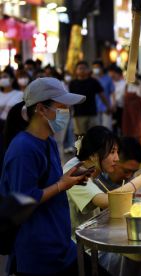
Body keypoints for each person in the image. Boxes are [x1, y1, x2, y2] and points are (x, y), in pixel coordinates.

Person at [0, 77, 89, 275]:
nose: (67, 112)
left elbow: (49, 182)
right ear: (41, 109)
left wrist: (70, 179)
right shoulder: (23, 148)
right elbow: (21, 199)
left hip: (60, 245)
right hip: (38, 252)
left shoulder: (47, 141)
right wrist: (60, 186)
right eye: (62, 106)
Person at [64, 126, 141, 235]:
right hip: (75, 243)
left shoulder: (89, 168)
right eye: (112, 152)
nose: (117, 158)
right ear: (94, 155)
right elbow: (106, 201)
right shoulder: (74, 171)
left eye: (117, 152)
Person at [69, 61, 111, 136]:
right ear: (76, 71)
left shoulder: (93, 81)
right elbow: (70, 99)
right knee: (80, 137)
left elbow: (102, 95)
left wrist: (108, 106)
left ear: (88, 70)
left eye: (84, 68)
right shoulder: (72, 83)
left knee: (94, 135)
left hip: (92, 113)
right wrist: (68, 111)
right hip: (78, 114)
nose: (82, 70)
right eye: (80, 68)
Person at [92, 60, 115, 130]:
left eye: (97, 67)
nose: (95, 69)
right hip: (94, 108)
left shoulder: (108, 79)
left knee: (106, 128)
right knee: (96, 129)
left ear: (102, 68)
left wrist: (113, 104)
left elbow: (112, 93)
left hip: (106, 107)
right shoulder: (91, 79)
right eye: (94, 68)